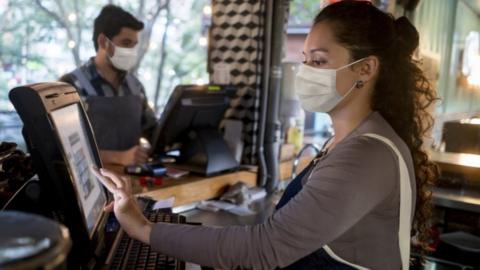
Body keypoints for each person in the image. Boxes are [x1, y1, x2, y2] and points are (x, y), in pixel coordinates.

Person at [92, 1, 439, 269]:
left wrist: (143, 229)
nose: (305, 72)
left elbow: (265, 248)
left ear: (365, 69)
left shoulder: (365, 155)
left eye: (318, 62)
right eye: (305, 60)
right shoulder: (347, 140)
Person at [60, 5, 157, 166]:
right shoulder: (70, 86)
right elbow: (62, 149)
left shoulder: (136, 87)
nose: (131, 50)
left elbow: (153, 132)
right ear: (103, 41)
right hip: (90, 186)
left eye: (134, 45)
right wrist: (118, 158)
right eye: (126, 43)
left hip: (132, 184)